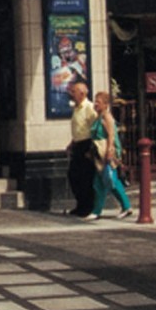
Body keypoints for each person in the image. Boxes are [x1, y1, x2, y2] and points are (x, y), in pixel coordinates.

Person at [91, 90, 134, 219]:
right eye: (95, 101)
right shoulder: (99, 117)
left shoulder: (107, 118)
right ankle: (98, 210)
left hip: (106, 153)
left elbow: (111, 135)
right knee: (101, 181)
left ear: (105, 104)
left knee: (110, 180)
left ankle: (125, 206)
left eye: (98, 102)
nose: (95, 104)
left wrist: (110, 151)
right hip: (99, 152)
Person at [65, 78, 100, 218]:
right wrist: (72, 143)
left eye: (74, 91)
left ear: (82, 93)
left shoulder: (89, 108)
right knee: (74, 175)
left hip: (87, 144)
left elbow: (95, 127)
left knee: (86, 177)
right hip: (78, 144)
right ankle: (80, 205)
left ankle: (87, 206)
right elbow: (79, 128)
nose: (71, 94)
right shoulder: (76, 108)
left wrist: (93, 146)